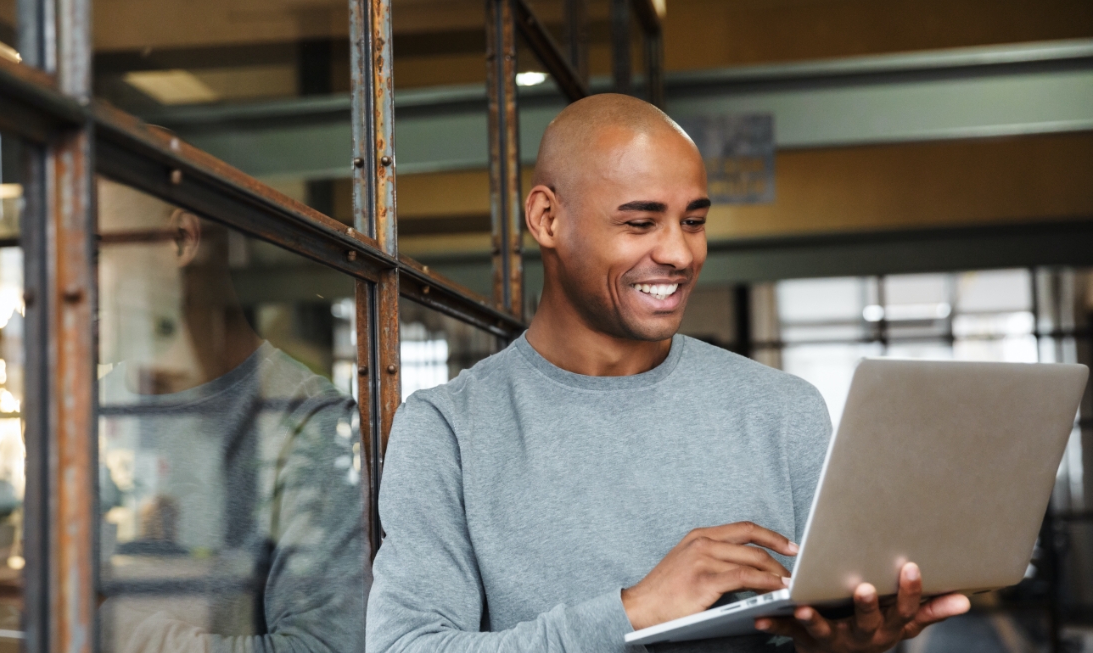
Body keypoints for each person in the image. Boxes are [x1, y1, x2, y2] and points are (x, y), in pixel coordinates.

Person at [365, 94, 970, 653]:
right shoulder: (448, 430)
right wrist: (634, 610)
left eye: (693, 221)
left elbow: (825, 620)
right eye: (640, 222)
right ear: (547, 219)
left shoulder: (784, 412)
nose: (680, 254)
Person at [96, 179, 367, 653]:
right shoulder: (88, 408)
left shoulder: (310, 421)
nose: (70, 281)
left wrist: (103, 630)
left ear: (181, 241)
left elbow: (323, 647)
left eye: (95, 251)